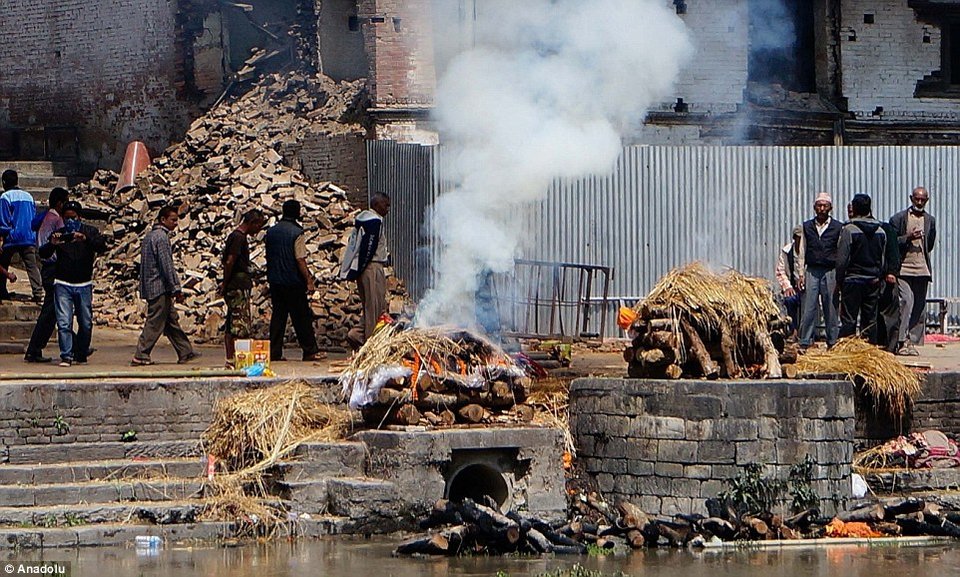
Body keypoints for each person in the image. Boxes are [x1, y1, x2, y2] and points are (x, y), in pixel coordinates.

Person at [38, 201, 108, 367]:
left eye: (73, 218)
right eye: (67, 218)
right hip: (63, 284)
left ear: (80, 218)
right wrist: (52, 244)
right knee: (64, 322)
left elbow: (101, 246)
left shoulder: (90, 232)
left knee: (85, 322)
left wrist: (86, 239)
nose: (70, 221)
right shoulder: (60, 235)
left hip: (84, 284)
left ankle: (81, 352)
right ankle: (66, 355)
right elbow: (44, 253)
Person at [131, 205, 201, 366]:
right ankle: (141, 354)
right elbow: (166, 266)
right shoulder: (161, 238)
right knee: (155, 322)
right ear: (163, 220)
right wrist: (176, 288)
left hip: (151, 285)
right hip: (159, 287)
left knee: (170, 321)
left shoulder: (150, 236)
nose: (176, 223)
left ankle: (185, 351)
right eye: (173, 220)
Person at [265, 200, 320, 362]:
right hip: (293, 281)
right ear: (297, 213)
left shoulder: (271, 232)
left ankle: (274, 352)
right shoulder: (297, 232)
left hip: (275, 281)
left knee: (278, 317)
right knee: (301, 317)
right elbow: (300, 259)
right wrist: (309, 280)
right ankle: (309, 351)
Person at [340, 193, 391, 349]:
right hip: (372, 267)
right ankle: (371, 344)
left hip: (364, 268)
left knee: (370, 306)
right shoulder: (374, 221)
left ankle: (356, 334)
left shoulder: (363, 218)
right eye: (385, 205)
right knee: (375, 307)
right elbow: (369, 248)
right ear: (376, 205)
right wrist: (362, 268)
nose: (388, 209)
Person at [890, 187, 937, 356]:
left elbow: (929, 244)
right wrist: (908, 238)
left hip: (922, 269)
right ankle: (901, 340)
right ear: (911, 198)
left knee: (918, 306)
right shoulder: (899, 218)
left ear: (927, 200)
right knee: (906, 302)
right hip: (903, 268)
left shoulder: (929, 220)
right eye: (916, 199)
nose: (919, 202)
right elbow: (892, 242)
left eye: (922, 200)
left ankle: (912, 341)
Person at [24, 188, 69, 363]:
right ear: (60, 203)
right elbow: (64, 242)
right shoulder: (57, 220)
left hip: (47, 267)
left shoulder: (45, 218)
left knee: (54, 312)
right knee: (52, 312)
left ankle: (37, 348)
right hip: (54, 268)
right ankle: (34, 348)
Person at [219, 208, 267, 368]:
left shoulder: (237, 237)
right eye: (258, 226)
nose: (258, 230)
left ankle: (230, 359)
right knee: (239, 325)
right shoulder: (238, 238)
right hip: (237, 286)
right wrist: (225, 283)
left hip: (235, 284)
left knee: (231, 322)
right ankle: (238, 360)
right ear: (252, 223)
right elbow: (230, 261)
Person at [836, 194, 886, 342]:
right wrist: (878, 277)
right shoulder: (881, 231)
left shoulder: (849, 230)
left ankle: (847, 349)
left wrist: (839, 280)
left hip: (852, 280)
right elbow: (882, 259)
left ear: (855, 208)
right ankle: (870, 349)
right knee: (870, 320)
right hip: (872, 281)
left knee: (849, 319)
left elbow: (841, 260)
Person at [797, 192, 842, 349]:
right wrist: (800, 274)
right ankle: (804, 341)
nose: (822, 209)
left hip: (830, 271)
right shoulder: (807, 226)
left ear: (830, 208)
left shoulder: (838, 227)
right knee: (809, 307)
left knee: (831, 307)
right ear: (814, 207)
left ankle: (832, 342)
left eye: (825, 206)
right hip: (812, 270)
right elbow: (802, 251)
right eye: (819, 206)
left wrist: (840, 275)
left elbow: (841, 251)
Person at [0, 169, 43, 302]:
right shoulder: (28, 196)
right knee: (32, 265)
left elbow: (4, 219)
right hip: (29, 236)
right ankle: (38, 292)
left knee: (3, 263)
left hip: (12, 236)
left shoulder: (5, 197)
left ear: (4, 182)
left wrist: (2, 236)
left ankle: (2, 291)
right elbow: (33, 216)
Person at [876, 215, 902, 353]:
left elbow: (894, 252)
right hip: (864, 280)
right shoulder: (849, 229)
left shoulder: (884, 228)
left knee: (889, 314)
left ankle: (891, 347)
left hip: (885, 278)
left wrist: (892, 271)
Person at [774, 225, 803, 335]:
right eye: (798, 238)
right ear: (794, 238)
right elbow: (780, 271)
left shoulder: (809, 251)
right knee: (789, 300)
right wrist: (787, 286)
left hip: (807, 287)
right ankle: (793, 330)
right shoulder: (787, 252)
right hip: (793, 286)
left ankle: (807, 333)